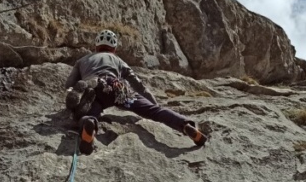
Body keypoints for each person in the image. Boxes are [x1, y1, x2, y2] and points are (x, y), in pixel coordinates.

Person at [64, 29, 208, 155]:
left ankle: (89, 125)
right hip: (118, 88)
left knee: (91, 110)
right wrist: (154, 105)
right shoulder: (118, 60)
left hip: (95, 88)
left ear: (96, 46)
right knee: (154, 111)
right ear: (114, 48)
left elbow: (69, 84)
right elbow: (138, 85)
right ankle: (185, 125)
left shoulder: (82, 60)